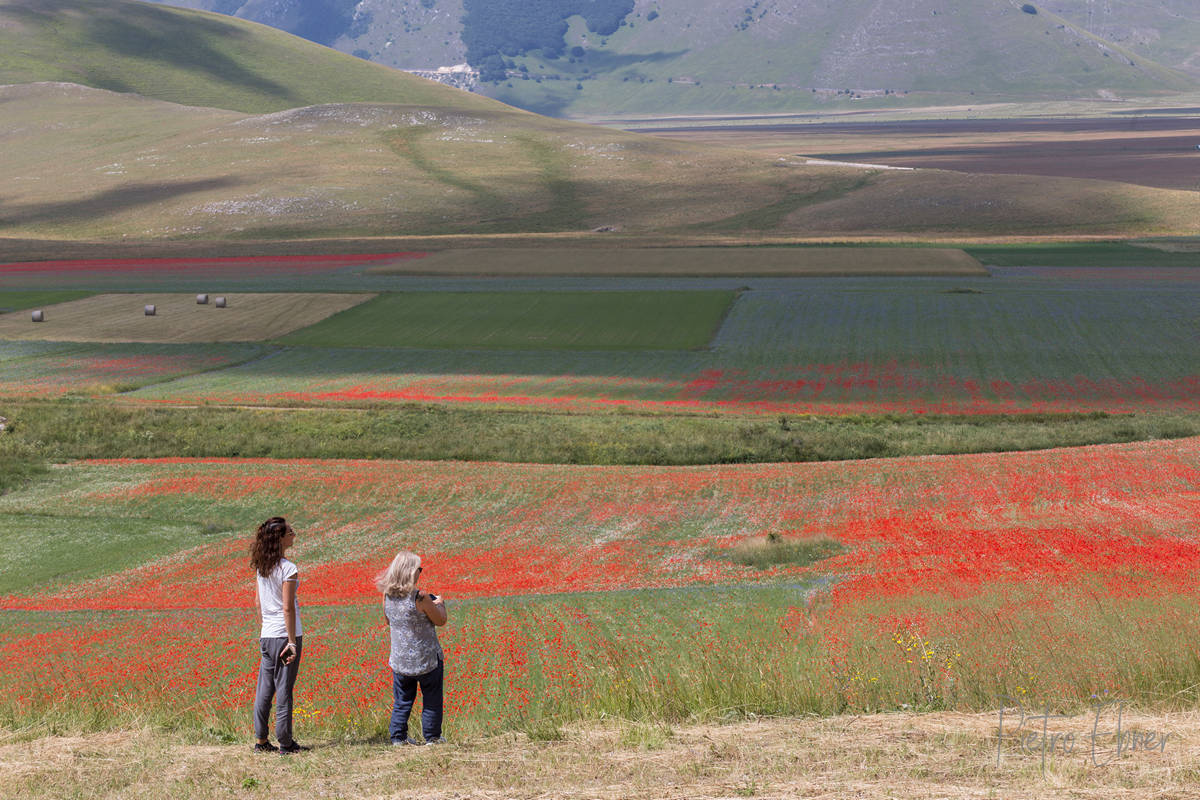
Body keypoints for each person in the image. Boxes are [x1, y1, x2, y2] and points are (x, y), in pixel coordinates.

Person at [250, 516, 308, 754]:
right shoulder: (288, 568)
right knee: (284, 689)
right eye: (290, 532)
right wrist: (292, 642)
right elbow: (288, 607)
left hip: (267, 635)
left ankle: (261, 741)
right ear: (281, 539)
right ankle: (285, 743)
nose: (294, 534)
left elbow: (257, 603)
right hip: (285, 636)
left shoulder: (262, 566)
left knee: (264, 689)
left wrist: (265, 629)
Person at [377, 550, 447, 746]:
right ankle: (432, 737)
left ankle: (398, 738)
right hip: (426, 659)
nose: (420, 572)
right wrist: (440, 604)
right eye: (419, 569)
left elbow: (387, 620)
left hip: (400, 660)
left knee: (402, 701)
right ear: (409, 572)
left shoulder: (387, 596)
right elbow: (440, 620)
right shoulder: (421, 597)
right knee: (431, 698)